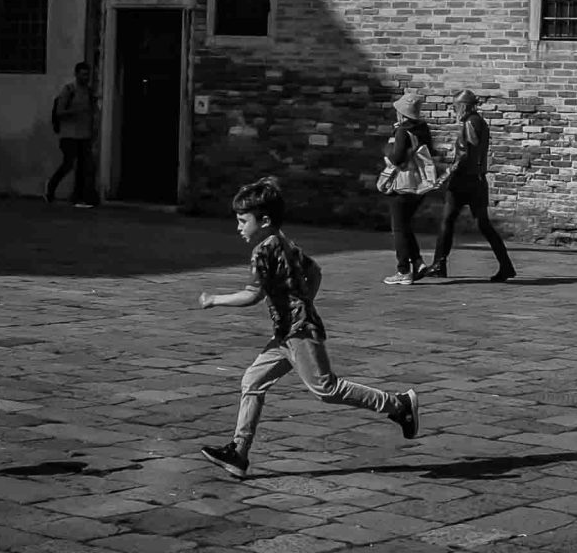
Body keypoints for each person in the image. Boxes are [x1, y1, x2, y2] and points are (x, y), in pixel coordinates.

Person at [197, 177, 422, 478]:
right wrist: (304, 302)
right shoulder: (285, 242)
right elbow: (314, 271)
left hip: (298, 332)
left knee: (326, 389)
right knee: (252, 381)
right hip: (287, 333)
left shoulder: (264, 250)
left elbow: (252, 295)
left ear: (263, 221)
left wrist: (214, 299)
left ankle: (399, 405)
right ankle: (238, 452)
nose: (238, 227)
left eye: (242, 221)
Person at [418, 89, 515, 283]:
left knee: (448, 221)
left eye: (456, 107)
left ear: (463, 106)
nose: (455, 111)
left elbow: (464, 155)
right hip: (477, 180)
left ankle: (439, 264)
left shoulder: (470, 123)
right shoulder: (479, 122)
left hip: (464, 181)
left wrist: (445, 176)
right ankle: (505, 265)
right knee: (480, 224)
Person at [378, 93, 437, 285]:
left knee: (398, 229)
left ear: (402, 114)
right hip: (419, 185)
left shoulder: (403, 132)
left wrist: (389, 146)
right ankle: (418, 262)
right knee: (405, 225)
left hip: (403, 186)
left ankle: (403, 270)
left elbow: (397, 158)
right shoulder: (422, 129)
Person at [46, 62, 98, 207]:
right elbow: (59, 112)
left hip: (84, 135)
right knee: (68, 164)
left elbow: (92, 113)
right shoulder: (69, 90)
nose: (86, 77)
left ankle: (79, 197)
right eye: (83, 74)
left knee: (85, 166)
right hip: (69, 135)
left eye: (87, 74)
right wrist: (76, 111)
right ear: (76, 74)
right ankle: (51, 188)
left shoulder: (89, 92)